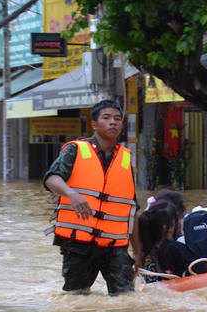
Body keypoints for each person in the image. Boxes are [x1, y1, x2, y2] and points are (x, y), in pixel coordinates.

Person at [43, 100, 138, 295]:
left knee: (126, 299)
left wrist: (138, 251)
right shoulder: (75, 150)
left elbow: (132, 208)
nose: (113, 122)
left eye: (117, 119)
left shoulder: (125, 159)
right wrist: (71, 193)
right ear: (94, 124)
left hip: (115, 246)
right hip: (79, 244)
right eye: (106, 118)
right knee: (75, 298)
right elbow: (51, 178)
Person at [137, 200, 207, 281]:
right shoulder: (174, 249)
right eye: (179, 218)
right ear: (167, 228)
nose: (182, 222)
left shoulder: (145, 250)